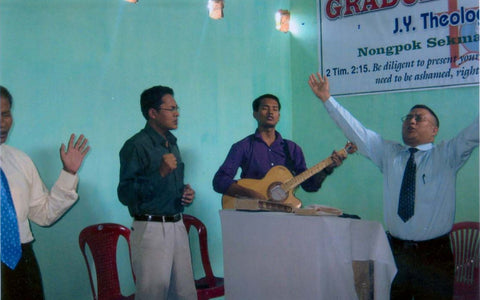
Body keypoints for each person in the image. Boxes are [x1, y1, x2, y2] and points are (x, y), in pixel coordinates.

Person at [308, 73, 479, 299]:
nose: (411, 121)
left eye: (419, 118)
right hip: (395, 252)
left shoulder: (447, 155)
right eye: (408, 117)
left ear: (435, 130)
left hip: (435, 255)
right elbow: (357, 131)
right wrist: (327, 99)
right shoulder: (389, 154)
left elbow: (473, 133)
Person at [0, 86, 90, 299]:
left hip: (21, 260)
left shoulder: (19, 161)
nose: (2, 122)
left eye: (5, 114)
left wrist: (68, 173)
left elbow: (43, 214)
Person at [117, 85, 197, 300]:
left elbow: (169, 187)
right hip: (151, 229)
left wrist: (185, 193)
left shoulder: (171, 143)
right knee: (153, 294)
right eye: (171, 109)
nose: (177, 113)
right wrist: (159, 173)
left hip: (177, 225)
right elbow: (125, 194)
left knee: (185, 293)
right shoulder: (135, 146)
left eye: (176, 108)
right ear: (153, 113)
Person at [213, 93, 344, 202]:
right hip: (252, 214)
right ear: (255, 114)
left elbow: (309, 186)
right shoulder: (242, 147)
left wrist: (327, 169)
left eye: (275, 109)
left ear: (279, 116)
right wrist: (250, 194)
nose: (271, 112)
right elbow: (219, 181)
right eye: (265, 108)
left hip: (284, 213)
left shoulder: (292, 149)